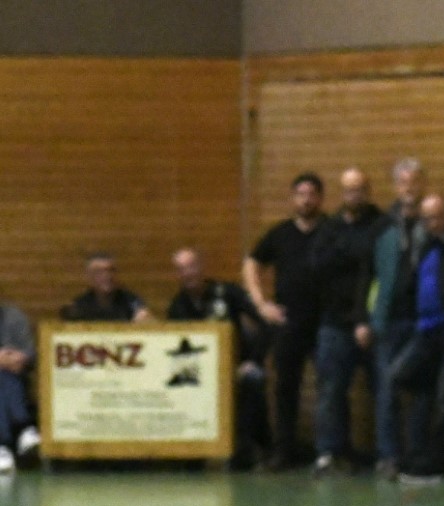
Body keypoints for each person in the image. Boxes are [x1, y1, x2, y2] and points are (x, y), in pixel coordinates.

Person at [245, 171, 325, 469]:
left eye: (311, 194)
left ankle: (329, 452)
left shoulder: (330, 231)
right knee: (285, 388)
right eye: (301, 194)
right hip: (288, 321)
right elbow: (252, 262)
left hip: (325, 321)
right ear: (293, 199)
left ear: (320, 198)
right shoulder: (280, 233)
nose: (306, 200)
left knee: (329, 388)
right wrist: (261, 303)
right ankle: (284, 451)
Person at [308, 167, 385, 474]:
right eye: (349, 190)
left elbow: (375, 264)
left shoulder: (380, 224)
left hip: (372, 322)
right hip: (334, 321)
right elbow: (318, 265)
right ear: (342, 193)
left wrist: (346, 254)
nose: (354, 195)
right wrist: (350, 253)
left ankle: (385, 455)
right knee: (330, 389)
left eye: (360, 189)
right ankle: (330, 451)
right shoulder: (330, 226)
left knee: (383, 388)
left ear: (368, 191)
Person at [166, 247, 272, 468]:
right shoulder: (177, 306)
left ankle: (251, 449)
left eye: (191, 266)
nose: (188, 273)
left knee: (252, 379)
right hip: (200, 376)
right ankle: (192, 455)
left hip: (237, 367)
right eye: (182, 269)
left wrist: (253, 360)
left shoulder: (227, 292)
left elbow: (264, 323)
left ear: (201, 267)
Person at [390, 193, 444, 483]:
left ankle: (436, 460)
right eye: (426, 219)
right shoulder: (427, 245)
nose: (431, 223)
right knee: (404, 379)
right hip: (425, 329)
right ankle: (417, 453)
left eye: (436, 217)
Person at [363, 158, 431, 479]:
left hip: (424, 321)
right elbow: (366, 273)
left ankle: (417, 454)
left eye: (414, 181)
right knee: (387, 388)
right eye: (403, 182)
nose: (409, 188)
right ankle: (389, 455)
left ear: (423, 184)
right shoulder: (382, 226)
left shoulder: (433, 222)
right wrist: (363, 319)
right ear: (395, 187)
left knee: (421, 390)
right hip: (390, 320)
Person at [0, 299, 37, 474]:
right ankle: (23, 428)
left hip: (15, 377)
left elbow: (30, 352)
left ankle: (3, 447)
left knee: (5, 376)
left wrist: (20, 358)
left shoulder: (14, 317)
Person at [62, 253, 152, 323]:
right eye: (99, 272)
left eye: (111, 270)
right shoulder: (80, 305)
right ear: (89, 276)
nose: (107, 276)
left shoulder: (130, 301)